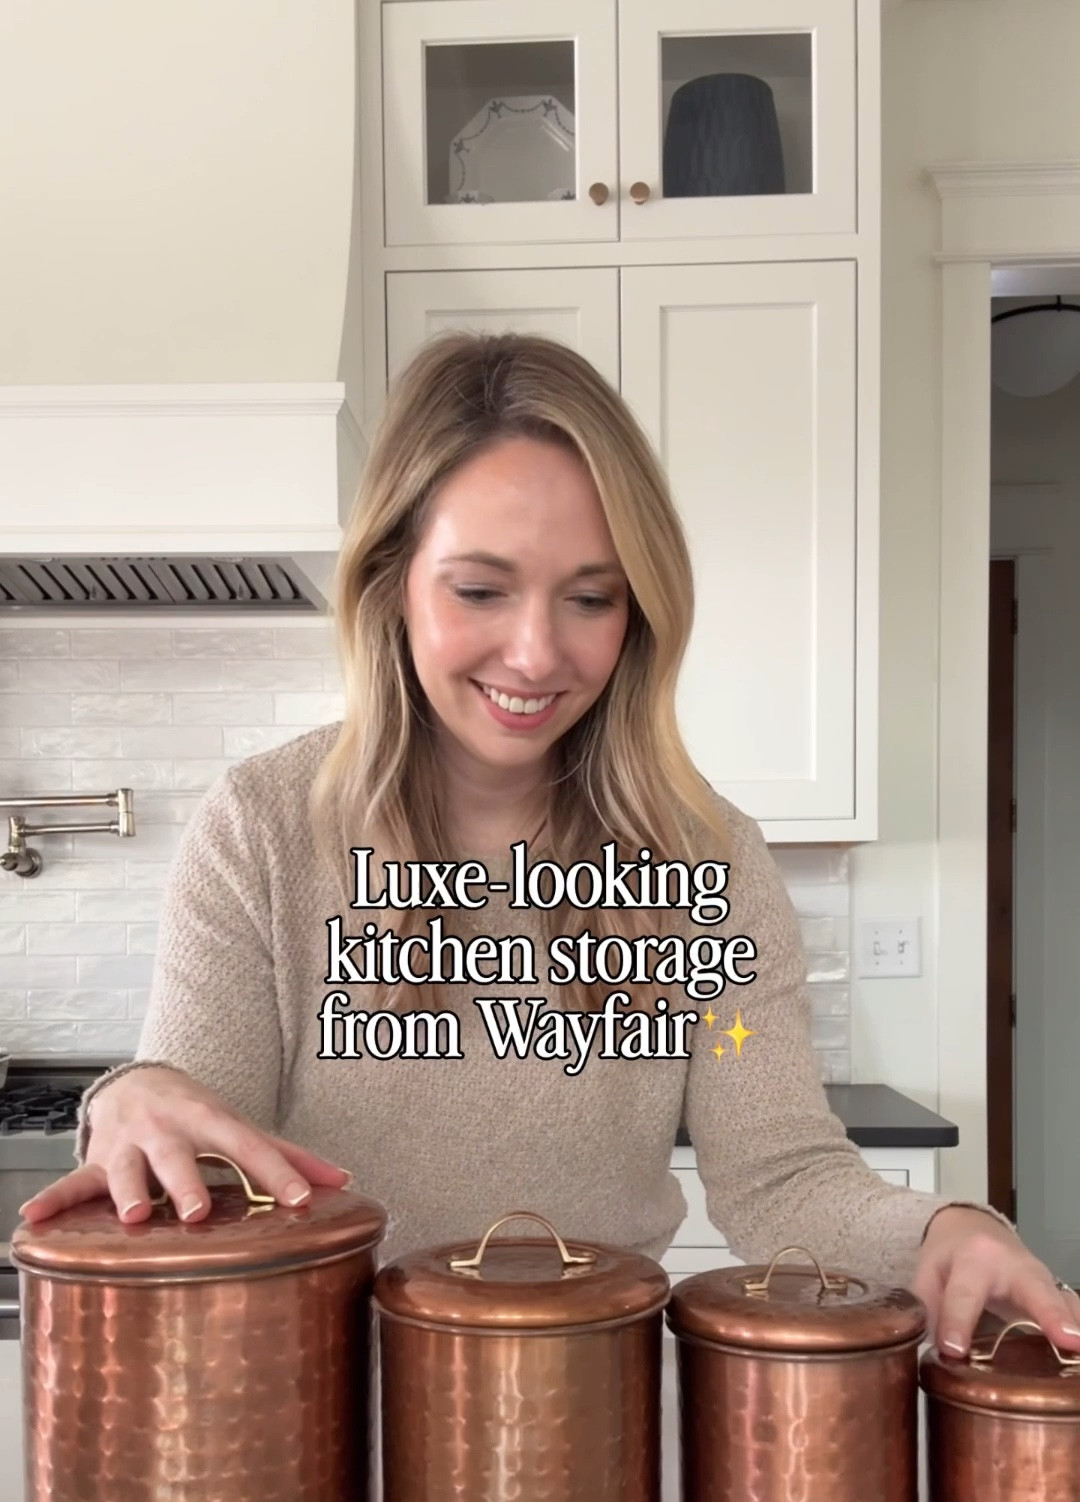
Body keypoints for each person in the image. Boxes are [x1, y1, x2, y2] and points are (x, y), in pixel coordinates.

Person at [19, 331, 1078, 1361]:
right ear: (392, 581)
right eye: (480, 589)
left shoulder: (707, 865)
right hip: (314, 1420)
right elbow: (202, 1121)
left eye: (590, 597)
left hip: (590, 1426)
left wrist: (942, 1233)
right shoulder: (260, 827)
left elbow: (782, 1172)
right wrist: (133, 1097)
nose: (536, 654)